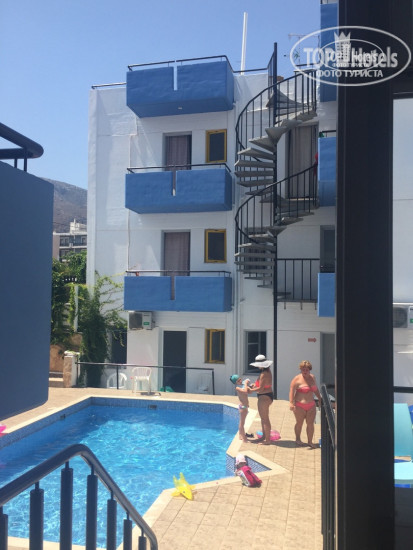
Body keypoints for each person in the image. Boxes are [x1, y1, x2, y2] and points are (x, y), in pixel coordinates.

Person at [289, 360, 322, 448]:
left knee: (310, 424)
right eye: (303, 369)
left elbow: (315, 389)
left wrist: (319, 398)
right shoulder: (296, 379)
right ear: (300, 369)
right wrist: (291, 403)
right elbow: (291, 391)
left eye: (307, 369)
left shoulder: (312, 377)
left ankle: (310, 442)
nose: (305, 371)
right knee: (299, 423)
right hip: (299, 405)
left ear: (309, 370)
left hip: (311, 404)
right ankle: (298, 439)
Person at [249, 355, 274, 445]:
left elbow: (261, 389)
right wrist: (254, 385)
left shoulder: (263, 374)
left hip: (264, 397)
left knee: (265, 419)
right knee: (263, 418)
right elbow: (262, 386)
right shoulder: (267, 371)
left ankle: (267, 440)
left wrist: (250, 390)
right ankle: (264, 437)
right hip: (266, 395)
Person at [230, 374, 252, 442]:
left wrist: (250, 386)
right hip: (243, 407)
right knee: (242, 423)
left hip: (245, 406)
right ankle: (244, 439)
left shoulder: (242, 386)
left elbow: (249, 392)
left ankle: (240, 435)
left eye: (240, 379)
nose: (240, 381)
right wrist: (245, 383)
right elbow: (245, 391)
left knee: (242, 422)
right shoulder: (237, 388)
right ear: (235, 383)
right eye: (238, 380)